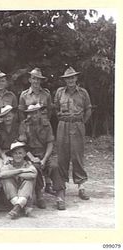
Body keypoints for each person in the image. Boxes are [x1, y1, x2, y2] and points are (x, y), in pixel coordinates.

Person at [54, 67, 92, 201]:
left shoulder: (83, 93)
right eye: (67, 78)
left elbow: (88, 110)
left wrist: (80, 122)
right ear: (65, 80)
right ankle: (62, 186)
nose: (70, 80)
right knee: (62, 155)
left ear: (76, 78)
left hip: (77, 125)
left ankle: (81, 186)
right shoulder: (59, 92)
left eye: (72, 78)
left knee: (77, 155)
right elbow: (56, 109)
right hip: (63, 125)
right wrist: (65, 121)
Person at [18, 103, 63, 209]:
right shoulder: (24, 125)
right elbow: (22, 146)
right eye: (31, 113)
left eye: (36, 112)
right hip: (30, 154)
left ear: (40, 113)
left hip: (44, 154)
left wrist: (44, 159)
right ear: (28, 114)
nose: (34, 115)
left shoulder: (46, 124)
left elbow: (50, 143)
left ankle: (60, 195)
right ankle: (39, 195)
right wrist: (32, 158)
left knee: (54, 166)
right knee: (35, 168)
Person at [0, 141, 37, 219]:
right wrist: (21, 170)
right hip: (12, 197)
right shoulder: (8, 164)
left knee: (29, 180)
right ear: (12, 155)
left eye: (20, 153)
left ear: (24, 154)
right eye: (15, 153)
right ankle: (19, 205)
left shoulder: (28, 164)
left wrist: (13, 173)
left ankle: (17, 208)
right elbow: (2, 174)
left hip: (25, 195)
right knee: (6, 179)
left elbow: (34, 174)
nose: (18, 155)